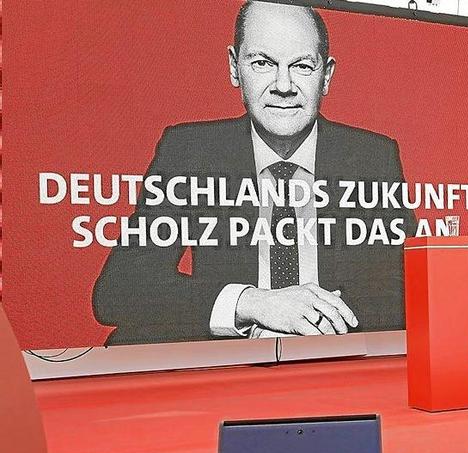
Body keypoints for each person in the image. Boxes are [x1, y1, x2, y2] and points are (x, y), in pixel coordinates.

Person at [92, 1, 416, 345]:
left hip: (332, 360)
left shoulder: (371, 157)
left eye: (302, 66)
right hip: (232, 362)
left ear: (326, 76)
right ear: (235, 68)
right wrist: (253, 305)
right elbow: (119, 288)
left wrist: (312, 320)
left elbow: (411, 288)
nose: (283, 85)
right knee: (127, 340)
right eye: (263, 63)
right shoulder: (191, 150)